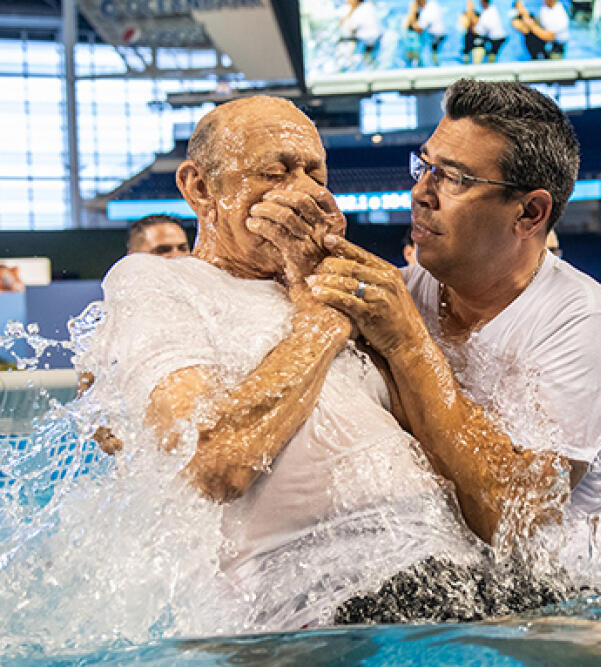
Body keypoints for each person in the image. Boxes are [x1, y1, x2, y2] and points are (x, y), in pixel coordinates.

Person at [79, 96, 485, 629]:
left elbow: (444, 442)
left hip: (454, 571)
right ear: (201, 188)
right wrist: (318, 321)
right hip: (323, 602)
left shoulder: (339, 284)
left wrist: (344, 298)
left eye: (315, 174)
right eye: (275, 172)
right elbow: (213, 462)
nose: (303, 193)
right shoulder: (156, 281)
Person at [309, 80, 601, 581]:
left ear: (529, 213)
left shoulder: (586, 329)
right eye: (424, 166)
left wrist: (407, 344)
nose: (421, 192)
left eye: (455, 179)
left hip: (583, 601)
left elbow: (516, 522)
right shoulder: (400, 294)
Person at [405, 0, 448, 66]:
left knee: (433, 56)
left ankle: (437, 68)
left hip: (436, 36)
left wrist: (412, 12)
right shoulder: (433, 4)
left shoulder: (426, 13)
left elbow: (419, 29)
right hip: (441, 33)